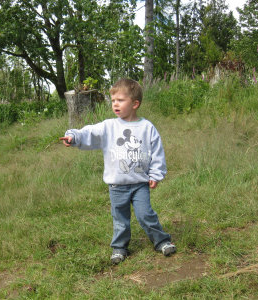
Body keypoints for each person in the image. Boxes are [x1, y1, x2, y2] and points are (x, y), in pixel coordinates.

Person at [60, 78, 176, 264]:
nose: (115, 104)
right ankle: (119, 247)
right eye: (113, 100)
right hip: (117, 185)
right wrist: (74, 136)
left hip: (139, 184)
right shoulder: (109, 126)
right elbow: (89, 132)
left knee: (145, 214)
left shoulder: (147, 128)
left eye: (120, 100)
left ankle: (161, 241)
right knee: (120, 219)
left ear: (135, 103)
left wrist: (156, 174)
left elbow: (157, 152)